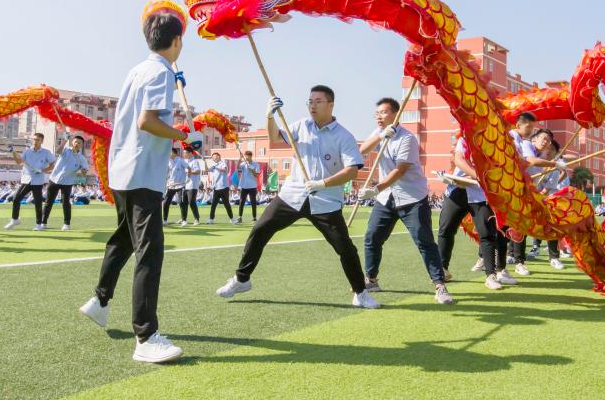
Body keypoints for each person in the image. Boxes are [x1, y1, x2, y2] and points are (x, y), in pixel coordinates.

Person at [78, 0, 202, 363]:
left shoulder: (139, 70)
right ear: (177, 41)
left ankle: (100, 300)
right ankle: (146, 336)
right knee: (150, 250)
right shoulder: (161, 73)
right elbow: (147, 122)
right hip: (142, 172)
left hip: (123, 169)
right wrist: (184, 137)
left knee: (123, 239)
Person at [216, 85, 379, 309]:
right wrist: (270, 115)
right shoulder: (301, 126)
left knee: (345, 248)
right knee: (260, 230)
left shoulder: (344, 136)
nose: (312, 105)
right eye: (310, 101)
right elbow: (274, 138)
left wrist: (323, 183)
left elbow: (352, 171)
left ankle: (360, 293)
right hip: (292, 195)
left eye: (318, 101)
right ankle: (242, 279)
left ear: (331, 105)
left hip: (325, 200)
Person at [356, 98, 453, 304]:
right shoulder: (379, 133)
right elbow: (361, 151)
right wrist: (381, 136)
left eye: (383, 112)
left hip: (412, 198)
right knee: (372, 237)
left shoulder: (407, 139)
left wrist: (375, 189)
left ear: (395, 114)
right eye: (377, 113)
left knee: (424, 241)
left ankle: (440, 285)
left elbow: (400, 170)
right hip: (386, 198)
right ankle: (371, 279)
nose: (378, 116)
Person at [435, 131, 516, 290]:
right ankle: (442, 269)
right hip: (458, 189)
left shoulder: (495, 144)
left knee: (487, 234)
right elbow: (459, 160)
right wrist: (478, 176)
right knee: (446, 229)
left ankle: (491, 275)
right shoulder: (465, 139)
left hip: (480, 194)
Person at [508, 128, 568, 275]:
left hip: (542, 200)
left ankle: (554, 257)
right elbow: (529, 164)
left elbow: (546, 190)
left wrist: (536, 196)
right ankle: (516, 258)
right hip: (522, 195)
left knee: (550, 226)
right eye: (544, 140)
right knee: (518, 227)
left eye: (552, 149)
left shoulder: (554, 169)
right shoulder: (529, 151)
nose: (548, 150)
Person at [4, 133, 56, 231]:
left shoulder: (46, 152)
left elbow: (53, 165)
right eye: (34, 139)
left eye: (38, 140)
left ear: (42, 141)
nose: (35, 141)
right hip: (26, 179)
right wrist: (13, 152)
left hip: (38, 181)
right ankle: (15, 219)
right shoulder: (27, 151)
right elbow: (18, 162)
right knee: (16, 199)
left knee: (37, 203)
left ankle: (38, 224)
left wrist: (42, 170)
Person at [44, 133, 89, 230]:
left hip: (67, 182)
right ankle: (43, 222)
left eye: (79, 143)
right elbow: (57, 151)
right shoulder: (65, 150)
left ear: (82, 145)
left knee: (66, 202)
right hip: (54, 179)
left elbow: (84, 173)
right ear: (72, 142)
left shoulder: (82, 159)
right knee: (49, 202)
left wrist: (83, 171)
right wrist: (65, 140)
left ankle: (66, 224)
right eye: (75, 142)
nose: (77, 144)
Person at [206, 152, 236, 224]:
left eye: (215, 156)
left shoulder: (223, 163)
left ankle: (232, 219)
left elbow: (225, 170)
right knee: (213, 205)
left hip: (224, 187)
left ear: (219, 157)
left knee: (227, 205)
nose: (213, 158)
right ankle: (211, 219)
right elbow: (207, 170)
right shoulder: (213, 165)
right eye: (213, 157)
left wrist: (216, 167)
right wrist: (204, 161)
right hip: (216, 188)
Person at [162, 148, 186, 225]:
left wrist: (187, 179)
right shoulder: (168, 161)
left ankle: (184, 220)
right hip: (171, 185)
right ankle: (165, 220)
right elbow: (166, 173)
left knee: (181, 202)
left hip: (180, 185)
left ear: (175, 153)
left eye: (170, 152)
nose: (169, 154)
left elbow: (188, 168)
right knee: (166, 203)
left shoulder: (180, 160)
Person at [236, 150, 261, 223]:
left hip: (252, 186)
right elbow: (237, 168)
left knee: (253, 202)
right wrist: (240, 158)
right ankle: (239, 217)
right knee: (241, 202)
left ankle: (254, 218)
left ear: (250, 156)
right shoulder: (243, 164)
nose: (246, 157)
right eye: (245, 156)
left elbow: (256, 175)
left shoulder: (256, 164)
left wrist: (252, 169)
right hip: (244, 186)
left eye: (247, 156)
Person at [179, 148, 202, 226]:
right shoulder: (184, 162)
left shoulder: (194, 161)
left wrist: (188, 172)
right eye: (183, 153)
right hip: (184, 185)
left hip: (192, 185)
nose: (184, 154)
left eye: (185, 153)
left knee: (192, 202)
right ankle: (184, 219)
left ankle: (197, 219)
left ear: (191, 153)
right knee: (183, 203)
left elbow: (198, 171)